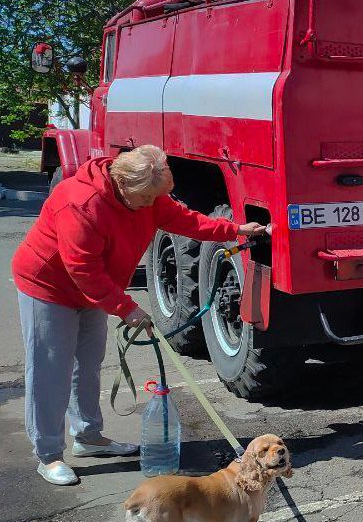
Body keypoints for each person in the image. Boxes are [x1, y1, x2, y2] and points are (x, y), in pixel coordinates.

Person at [12, 145, 266, 486]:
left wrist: (233, 230)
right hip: (48, 287)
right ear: (123, 185)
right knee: (50, 369)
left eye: (156, 198)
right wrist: (126, 308)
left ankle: (88, 437)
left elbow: (184, 220)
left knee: (86, 363)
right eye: (146, 198)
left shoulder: (148, 196)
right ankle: (48, 454)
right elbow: (83, 270)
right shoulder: (81, 203)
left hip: (94, 290)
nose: (152, 205)